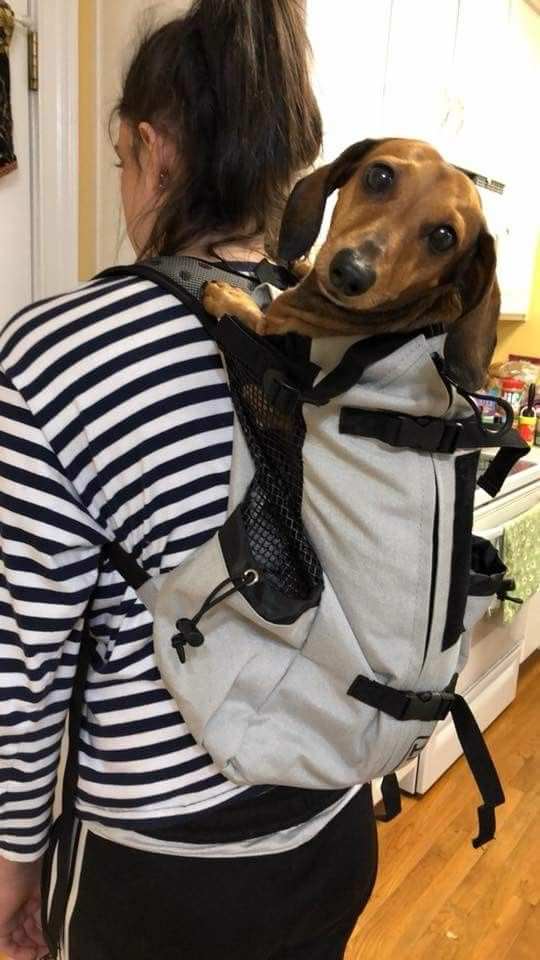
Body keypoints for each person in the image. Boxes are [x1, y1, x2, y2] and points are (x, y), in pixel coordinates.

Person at [0, 2, 378, 958]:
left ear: (151, 148)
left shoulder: (50, 356)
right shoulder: (342, 342)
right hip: (332, 828)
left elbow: (21, 665)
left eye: (122, 161)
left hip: (163, 876)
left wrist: (11, 871)